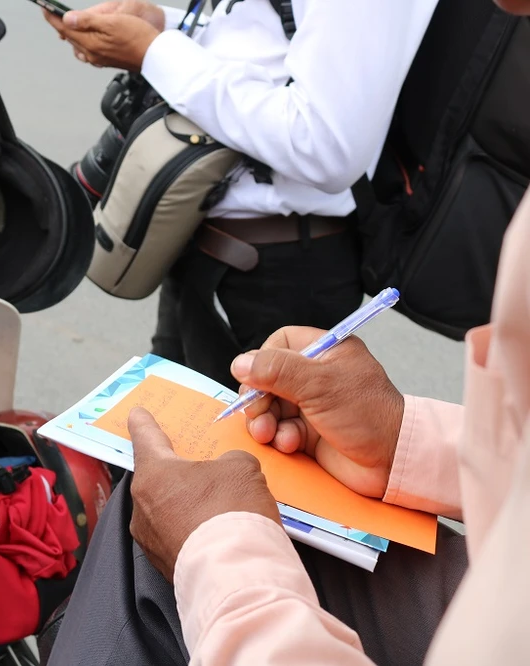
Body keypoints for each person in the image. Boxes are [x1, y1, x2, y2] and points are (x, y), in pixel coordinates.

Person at [42, 0, 530, 660]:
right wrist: (404, 439)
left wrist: (223, 557)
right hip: (211, 239)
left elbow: (323, 142)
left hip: (281, 255)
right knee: (169, 479)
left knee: (170, 523)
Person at [44, 0, 438, 390]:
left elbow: (325, 146)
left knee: (233, 431)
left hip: (279, 275)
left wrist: (155, 51)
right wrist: (167, 26)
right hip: (202, 240)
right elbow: (269, 49)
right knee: (156, 421)